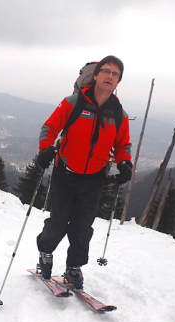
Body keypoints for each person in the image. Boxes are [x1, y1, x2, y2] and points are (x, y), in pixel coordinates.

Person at [35, 55, 133, 289]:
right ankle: (45, 254)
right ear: (96, 75)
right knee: (58, 221)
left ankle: (73, 267)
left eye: (115, 74)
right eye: (106, 71)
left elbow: (123, 145)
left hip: (94, 178)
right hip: (65, 173)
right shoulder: (74, 102)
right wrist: (45, 149)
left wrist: (125, 163)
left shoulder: (119, 114)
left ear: (118, 81)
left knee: (82, 227)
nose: (110, 76)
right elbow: (50, 127)